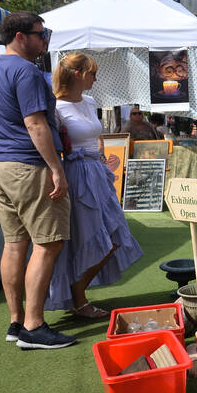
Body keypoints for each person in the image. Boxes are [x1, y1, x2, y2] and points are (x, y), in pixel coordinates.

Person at [0, 11, 75, 350]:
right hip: (29, 165)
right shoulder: (27, 72)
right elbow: (36, 124)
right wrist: (55, 168)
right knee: (48, 242)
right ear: (21, 37)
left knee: (15, 244)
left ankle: (16, 322)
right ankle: (33, 326)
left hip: (0, 166)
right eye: (41, 33)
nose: (44, 40)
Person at [46, 53, 144, 318]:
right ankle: (79, 299)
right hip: (76, 174)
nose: (95, 78)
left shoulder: (89, 102)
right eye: (92, 73)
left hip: (97, 173)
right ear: (78, 75)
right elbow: (52, 145)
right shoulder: (55, 107)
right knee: (89, 237)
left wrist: (100, 156)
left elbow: (97, 136)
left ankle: (77, 293)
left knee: (113, 235)